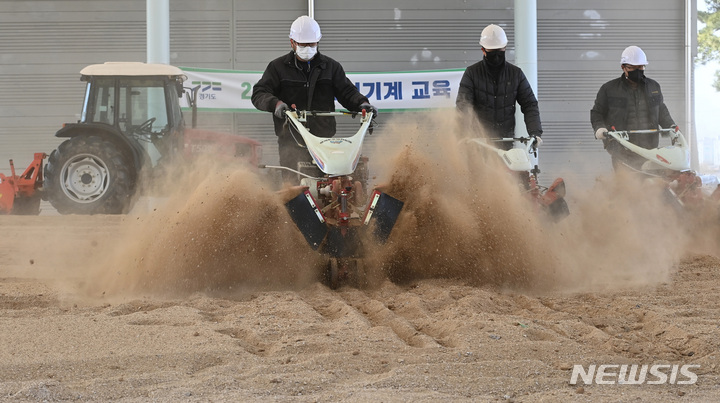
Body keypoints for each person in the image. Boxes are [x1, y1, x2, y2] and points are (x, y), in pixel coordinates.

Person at [251, 15, 377, 182]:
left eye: (312, 44)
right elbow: (259, 93)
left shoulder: (331, 67)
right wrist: (276, 104)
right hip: (291, 139)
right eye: (303, 44)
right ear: (292, 43)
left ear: (318, 42)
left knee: (329, 184)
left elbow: (347, 92)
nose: (308, 48)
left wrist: (363, 104)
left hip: (324, 141)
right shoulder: (277, 68)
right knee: (294, 187)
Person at [456, 24, 543, 150]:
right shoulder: (472, 73)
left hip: (506, 142)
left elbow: (529, 104)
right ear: (483, 50)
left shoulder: (516, 74)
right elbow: (463, 106)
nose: (496, 56)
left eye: (500, 51)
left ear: (505, 48)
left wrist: (535, 132)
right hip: (478, 143)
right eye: (492, 52)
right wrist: (463, 134)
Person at [590, 45, 676, 171]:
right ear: (623, 67)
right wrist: (600, 128)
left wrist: (672, 126)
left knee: (651, 182)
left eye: (640, 67)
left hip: (649, 149)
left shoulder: (654, 87)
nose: (637, 71)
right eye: (632, 68)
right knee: (627, 185)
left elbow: (661, 111)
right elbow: (597, 113)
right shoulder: (609, 89)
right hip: (621, 149)